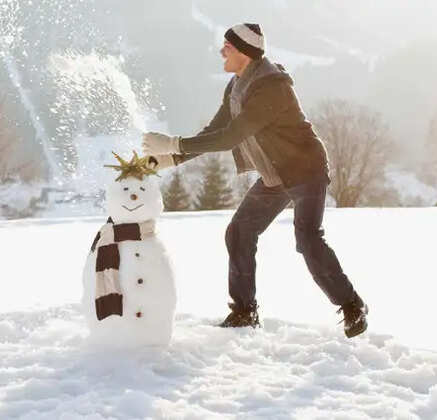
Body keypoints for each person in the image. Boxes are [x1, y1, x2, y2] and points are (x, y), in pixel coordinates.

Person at [142, 23, 368, 338]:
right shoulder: (236, 85)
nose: (221, 51)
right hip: (275, 174)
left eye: (227, 47)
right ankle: (244, 312)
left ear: (245, 53)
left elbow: (232, 136)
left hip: (305, 170)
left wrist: (173, 143)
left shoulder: (271, 86)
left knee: (307, 239)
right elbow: (215, 131)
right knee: (239, 232)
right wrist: (173, 158)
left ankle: (353, 306)